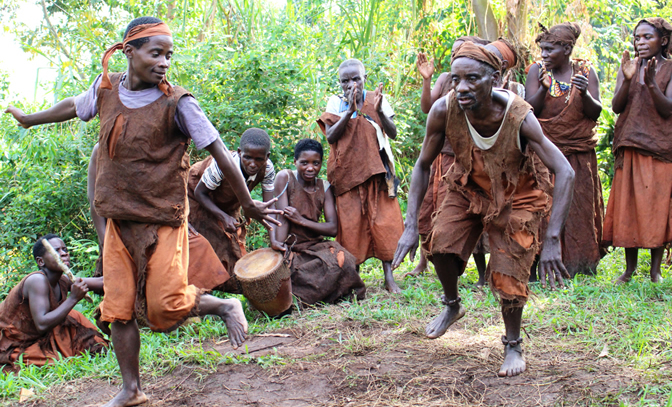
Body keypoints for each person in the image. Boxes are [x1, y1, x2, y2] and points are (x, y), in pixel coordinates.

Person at [4, 17, 281, 407]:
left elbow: (219, 150)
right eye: (156, 53)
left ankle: (223, 304)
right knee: (118, 309)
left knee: (164, 307)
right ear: (128, 52)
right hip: (120, 221)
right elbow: (73, 106)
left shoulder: (179, 103)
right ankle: (131, 390)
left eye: (169, 55)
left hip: (164, 220)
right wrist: (31, 119)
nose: (165, 62)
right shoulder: (106, 89)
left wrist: (249, 202)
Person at [393, 42, 575, 377]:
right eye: (456, 79)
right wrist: (409, 225)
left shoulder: (520, 117)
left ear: (496, 79)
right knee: (440, 246)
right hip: (469, 187)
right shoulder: (444, 110)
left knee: (508, 272)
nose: (461, 87)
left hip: (516, 195)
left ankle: (513, 344)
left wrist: (552, 239)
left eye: (472, 79)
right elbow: (421, 166)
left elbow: (565, 171)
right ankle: (451, 306)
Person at [87, 143, 230, 292]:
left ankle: (189, 305)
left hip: (160, 223)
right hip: (123, 229)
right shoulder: (103, 149)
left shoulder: (158, 145)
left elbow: (170, 190)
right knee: (129, 287)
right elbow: (95, 203)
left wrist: (180, 219)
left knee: (198, 248)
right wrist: (106, 241)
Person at [317, 59, 404, 293]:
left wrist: (377, 110)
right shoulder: (335, 103)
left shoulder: (377, 98)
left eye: (356, 78)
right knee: (351, 226)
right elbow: (331, 137)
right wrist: (350, 111)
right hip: (347, 176)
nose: (351, 84)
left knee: (384, 223)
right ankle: (355, 280)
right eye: (345, 81)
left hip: (379, 173)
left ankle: (389, 278)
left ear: (365, 78)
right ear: (339, 83)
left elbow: (393, 132)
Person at [525, 22, 605, 277]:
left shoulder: (585, 72)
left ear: (567, 48)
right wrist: (544, 89)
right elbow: (528, 111)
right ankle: (537, 262)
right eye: (542, 49)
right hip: (544, 155)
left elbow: (595, 112)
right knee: (542, 206)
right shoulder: (536, 71)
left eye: (550, 49)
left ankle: (578, 264)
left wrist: (585, 94)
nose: (544, 54)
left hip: (578, 154)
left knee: (577, 208)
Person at [411, 36, 491, 283]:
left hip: (467, 159)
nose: (457, 56)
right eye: (455, 53)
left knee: (465, 210)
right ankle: (428, 263)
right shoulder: (447, 79)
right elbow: (428, 107)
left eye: (462, 52)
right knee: (432, 210)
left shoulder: (480, 82)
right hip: (441, 156)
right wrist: (426, 80)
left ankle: (481, 272)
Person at [604, 17, 672, 283]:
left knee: (656, 204)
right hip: (630, 142)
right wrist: (627, 79)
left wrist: (652, 82)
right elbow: (617, 106)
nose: (640, 42)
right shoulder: (629, 66)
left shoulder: (670, 68)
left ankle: (655, 271)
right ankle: (629, 269)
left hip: (660, 147)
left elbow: (667, 108)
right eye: (637, 38)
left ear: (663, 41)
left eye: (647, 37)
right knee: (628, 205)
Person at [272, 139, 366, 304]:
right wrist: (280, 249)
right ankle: (316, 295)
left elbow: (332, 228)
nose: (310, 168)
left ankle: (317, 294)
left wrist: (301, 220)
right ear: (295, 162)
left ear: (321, 163)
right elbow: (282, 219)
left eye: (315, 163)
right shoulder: (285, 178)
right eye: (304, 163)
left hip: (315, 246)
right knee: (293, 274)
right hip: (292, 246)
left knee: (346, 262)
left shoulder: (324, 187)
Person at [0, 235, 107, 370]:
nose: (64, 254)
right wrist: (73, 298)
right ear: (41, 261)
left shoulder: (62, 279)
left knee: (83, 330)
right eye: (56, 251)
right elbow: (42, 324)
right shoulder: (37, 281)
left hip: (42, 335)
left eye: (64, 249)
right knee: (50, 362)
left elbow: (101, 282)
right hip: (16, 342)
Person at [188, 128, 276, 291]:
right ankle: (197, 296)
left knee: (233, 251)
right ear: (239, 152)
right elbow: (200, 193)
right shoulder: (222, 165)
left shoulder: (268, 169)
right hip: (196, 196)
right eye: (247, 157)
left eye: (259, 159)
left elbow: (269, 209)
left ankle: (228, 290)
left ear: (267, 157)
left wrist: (275, 241)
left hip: (228, 205)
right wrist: (222, 217)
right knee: (201, 246)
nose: (252, 163)